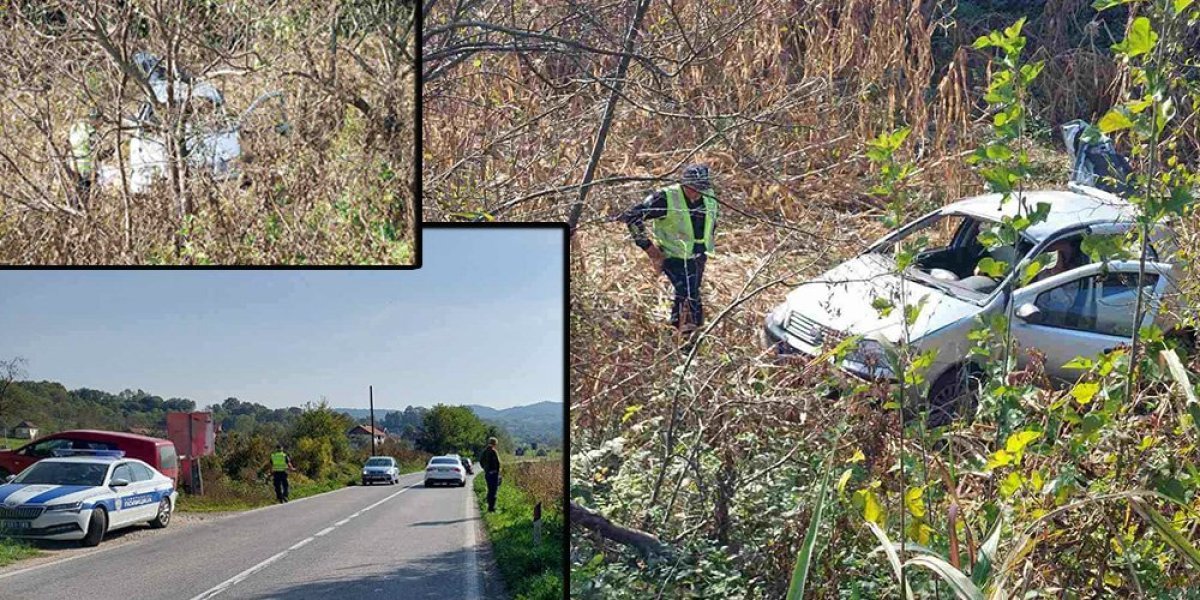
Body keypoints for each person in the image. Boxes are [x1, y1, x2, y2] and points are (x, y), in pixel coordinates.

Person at [619, 164, 719, 334]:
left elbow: (712, 220)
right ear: (683, 183)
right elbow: (632, 217)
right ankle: (687, 335)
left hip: (698, 255)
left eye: (700, 188)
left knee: (687, 295)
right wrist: (650, 250)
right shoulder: (665, 198)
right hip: (673, 256)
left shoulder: (709, 195)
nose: (696, 193)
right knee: (689, 296)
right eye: (692, 188)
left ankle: (679, 334)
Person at [69, 109, 101, 202]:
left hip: (73, 166)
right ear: (96, 120)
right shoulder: (92, 133)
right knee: (86, 195)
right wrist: (108, 153)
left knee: (76, 193)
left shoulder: (75, 127)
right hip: (86, 168)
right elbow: (95, 153)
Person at [479, 437, 502, 513]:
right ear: (495, 444)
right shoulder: (493, 451)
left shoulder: (484, 451)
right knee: (493, 491)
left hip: (487, 473)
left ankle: (489, 506)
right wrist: (497, 472)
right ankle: (491, 508)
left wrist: (485, 469)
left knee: (489, 490)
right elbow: (497, 464)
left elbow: (481, 461)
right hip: (494, 473)